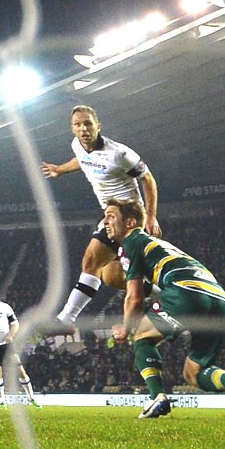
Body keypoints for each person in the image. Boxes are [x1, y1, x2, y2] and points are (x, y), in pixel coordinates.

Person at [104, 199, 225, 419]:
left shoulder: (132, 242)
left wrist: (125, 329)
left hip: (185, 292)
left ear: (131, 222)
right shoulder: (156, 246)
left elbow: (134, 298)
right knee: (194, 374)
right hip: (220, 299)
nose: (106, 221)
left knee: (141, 335)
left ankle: (157, 397)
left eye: (112, 215)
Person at [42, 105, 158, 326]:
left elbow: (148, 179)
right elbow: (83, 159)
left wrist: (151, 216)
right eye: (78, 125)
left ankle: (66, 320)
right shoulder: (77, 145)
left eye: (87, 123)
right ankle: (166, 295)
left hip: (128, 214)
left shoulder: (120, 154)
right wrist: (60, 169)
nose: (83, 128)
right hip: (111, 212)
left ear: (98, 126)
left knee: (90, 261)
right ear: (72, 129)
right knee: (112, 278)